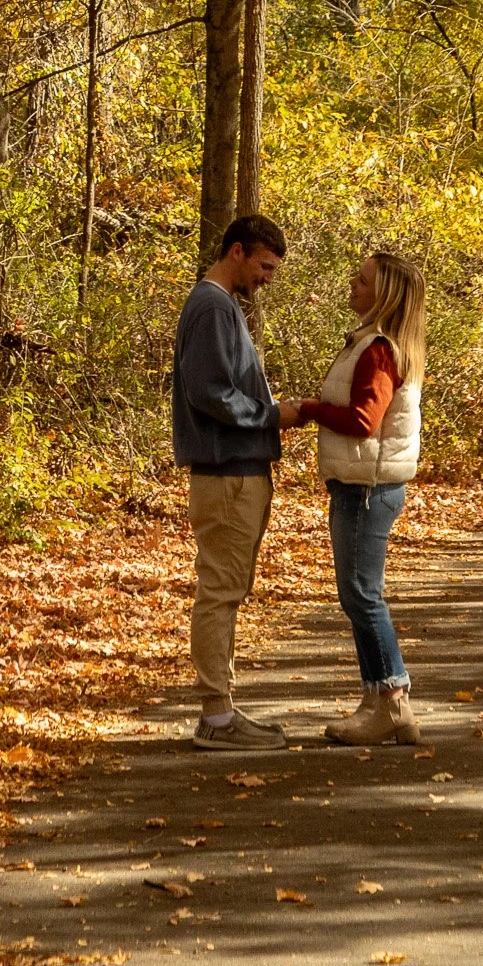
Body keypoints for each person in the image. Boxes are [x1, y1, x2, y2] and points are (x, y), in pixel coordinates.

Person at [172, 213, 302, 751]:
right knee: (220, 591)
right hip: (225, 473)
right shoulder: (211, 307)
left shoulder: (222, 307)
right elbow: (210, 391)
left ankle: (223, 708)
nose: (267, 277)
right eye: (264, 266)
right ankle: (216, 716)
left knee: (227, 590)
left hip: (236, 471)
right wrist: (273, 414)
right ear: (237, 252)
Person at [291, 249, 425, 746]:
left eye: (363, 279)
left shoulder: (379, 350)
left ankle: (392, 700)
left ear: (384, 294)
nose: (353, 284)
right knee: (356, 595)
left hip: (367, 490)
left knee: (363, 596)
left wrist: (306, 409)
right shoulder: (375, 344)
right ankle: (376, 700)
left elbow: (365, 422)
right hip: (365, 486)